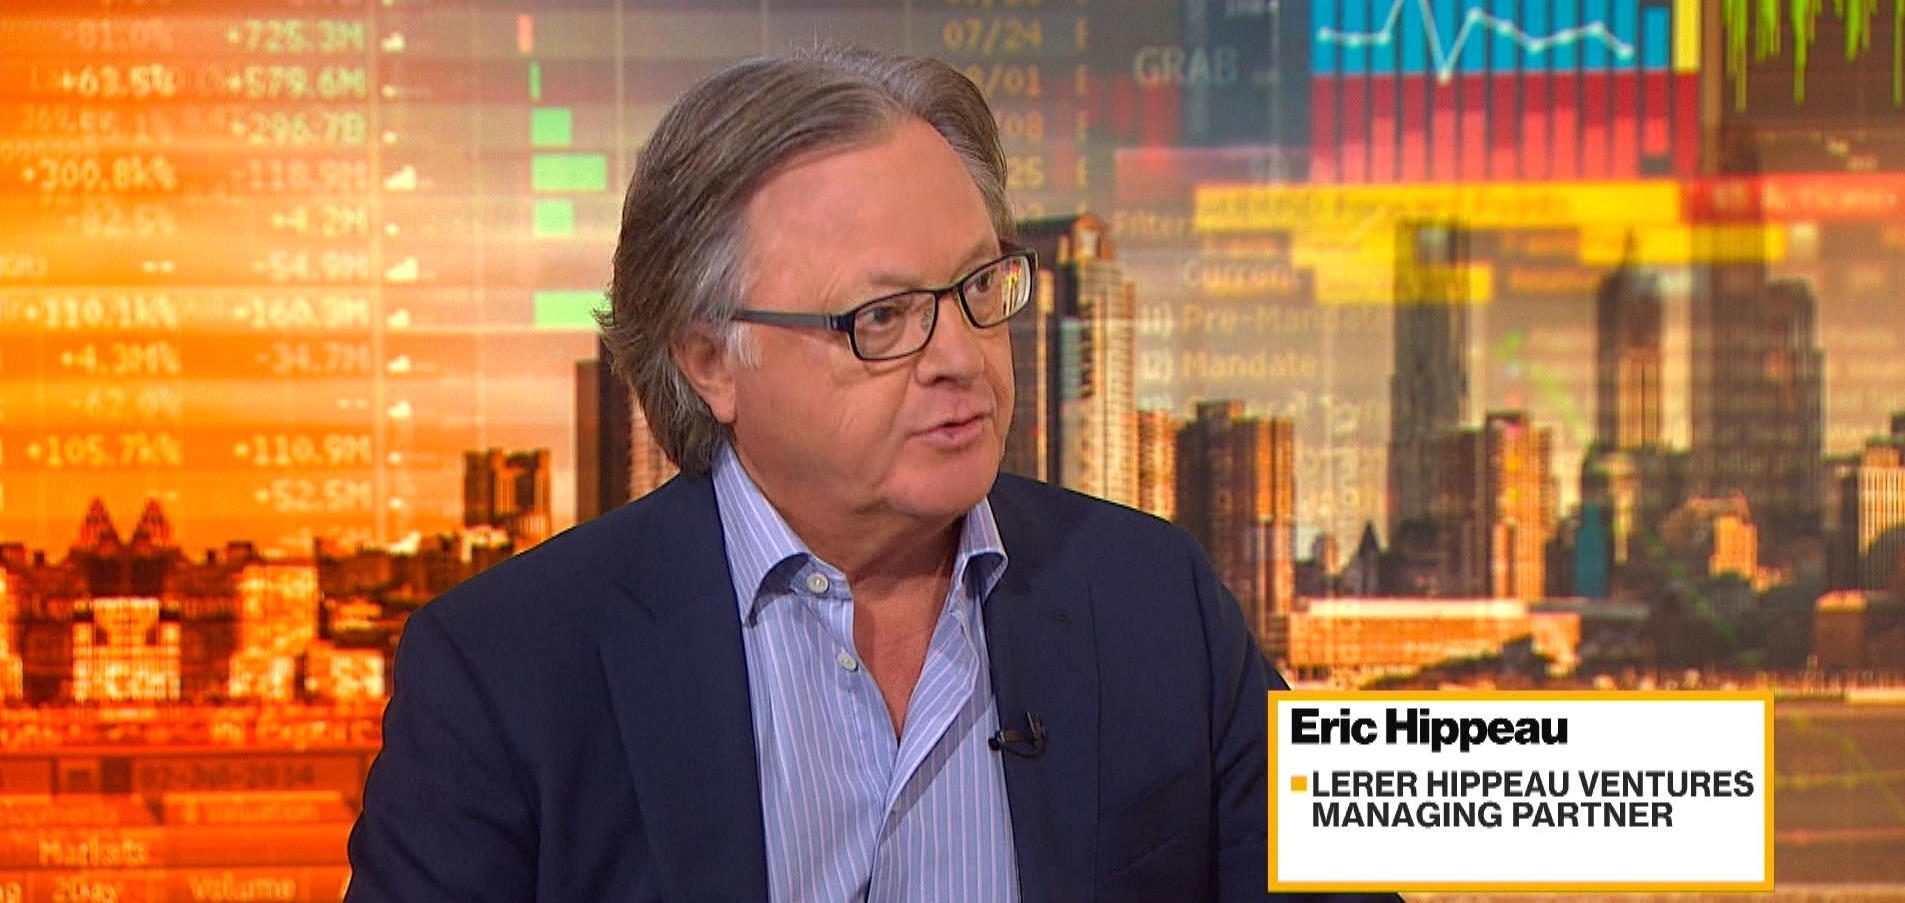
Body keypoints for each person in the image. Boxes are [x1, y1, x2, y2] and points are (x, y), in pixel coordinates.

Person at [346, 47, 1396, 902]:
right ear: (710, 360)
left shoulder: (1156, 597)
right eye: (881, 317)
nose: (960, 356)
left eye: (979, 287)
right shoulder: (508, 669)